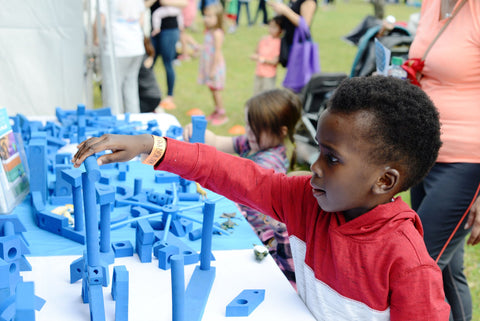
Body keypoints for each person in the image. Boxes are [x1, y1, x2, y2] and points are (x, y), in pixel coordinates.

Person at [72, 76, 450, 320]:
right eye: (317, 151)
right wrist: (150, 145)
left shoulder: (409, 267)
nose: (315, 168)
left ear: (384, 181)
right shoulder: (307, 199)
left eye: (332, 159)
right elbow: (232, 173)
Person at [407, 0, 480, 320]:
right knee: (446, 271)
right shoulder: (431, 4)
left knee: (416, 266)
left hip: (466, 162)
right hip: (424, 154)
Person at [184, 89, 301, 286]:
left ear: (280, 132)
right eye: (248, 125)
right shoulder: (254, 143)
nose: (249, 133)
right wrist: (200, 134)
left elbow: (228, 176)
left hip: (259, 236)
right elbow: (219, 143)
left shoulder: (269, 163)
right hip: (243, 224)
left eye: (256, 128)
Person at [95, 0, 146, 114]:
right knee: (131, 87)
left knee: (112, 89)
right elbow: (141, 19)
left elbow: (101, 18)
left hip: (117, 47)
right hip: (135, 46)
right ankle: (134, 121)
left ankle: (115, 122)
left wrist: (96, 39)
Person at [145, 0, 187, 111]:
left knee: (168, 62)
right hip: (154, 30)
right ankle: (148, 95)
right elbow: (144, 5)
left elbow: (184, 3)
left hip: (170, 29)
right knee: (149, 63)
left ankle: (169, 95)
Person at [198, 3, 227, 126]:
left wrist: (213, 69)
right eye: (206, 16)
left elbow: (217, 52)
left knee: (216, 90)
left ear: (218, 18)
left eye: (210, 16)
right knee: (212, 89)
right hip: (208, 64)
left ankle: (222, 114)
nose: (206, 19)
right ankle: (216, 110)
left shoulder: (217, 33)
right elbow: (207, 47)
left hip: (215, 66)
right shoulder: (209, 31)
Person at [268, 0, 317, 68]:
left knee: (301, 75)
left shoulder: (308, 1)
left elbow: (305, 24)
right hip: (289, 43)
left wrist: (285, 10)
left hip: (300, 45)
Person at [249, 16, 283, 96]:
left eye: (274, 28)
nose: (271, 30)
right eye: (270, 27)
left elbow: (275, 61)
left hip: (269, 75)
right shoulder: (264, 39)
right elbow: (255, 53)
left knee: (267, 97)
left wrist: (261, 59)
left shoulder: (279, 43)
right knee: (256, 95)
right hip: (259, 72)